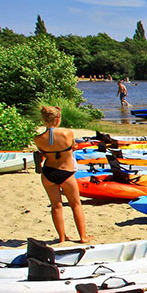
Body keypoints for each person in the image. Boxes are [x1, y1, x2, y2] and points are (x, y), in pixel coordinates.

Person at [34, 105, 90, 244]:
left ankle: (62, 237)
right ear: (58, 118)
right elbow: (73, 146)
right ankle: (83, 236)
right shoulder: (67, 133)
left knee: (56, 206)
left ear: (43, 119)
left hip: (48, 172)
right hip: (66, 172)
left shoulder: (38, 139)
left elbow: (44, 154)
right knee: (75, 204)